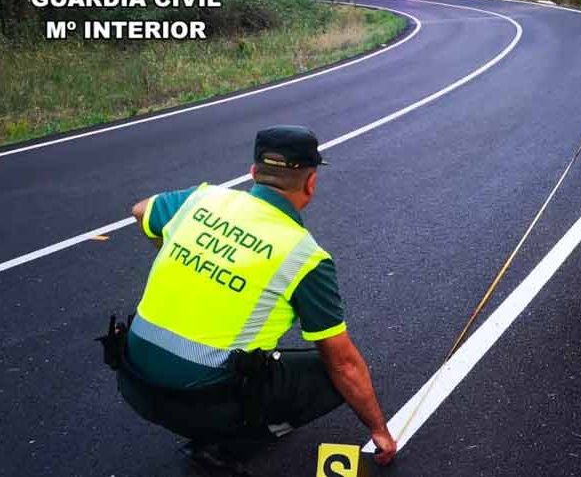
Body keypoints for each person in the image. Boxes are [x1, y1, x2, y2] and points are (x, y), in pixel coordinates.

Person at [116, 125, 397, 470]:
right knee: (333, 374)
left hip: (132, 382)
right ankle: (227, 445)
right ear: (310, 184)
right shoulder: (302, 255)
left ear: (253, 172)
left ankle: (214, 426)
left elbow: (141, 210)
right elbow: (343, 364)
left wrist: (172, 245)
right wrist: (379, 430)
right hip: (199, 404)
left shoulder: (202, 199)